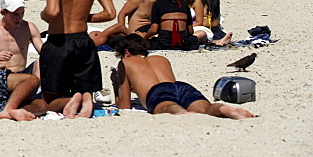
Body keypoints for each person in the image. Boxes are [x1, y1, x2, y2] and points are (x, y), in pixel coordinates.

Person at [39, 0, 115, 118]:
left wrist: (43, 14)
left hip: (59, 42)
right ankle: (86, 99)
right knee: (85, 87)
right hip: (83, 41)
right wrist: (83, 16)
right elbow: (110, 13)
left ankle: (76, 101)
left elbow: (53, 11)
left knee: (50, 97)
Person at [108, 34, 255, 118]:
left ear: (126, 52)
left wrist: (116, 84)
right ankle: (225, 109)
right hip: (180, 86)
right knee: (205, 108)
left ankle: (182, 113)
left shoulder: (125, 63)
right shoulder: (161, 59)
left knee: (169, 107)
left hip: (158, 92)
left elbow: (124, 105)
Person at [0, 0, 43, 77]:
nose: (19, 18)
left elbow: (44, 52)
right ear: (3, 13)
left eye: (22, 13)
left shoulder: (29, 28)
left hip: (20, 75)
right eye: (15, 14)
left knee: (41, 62)